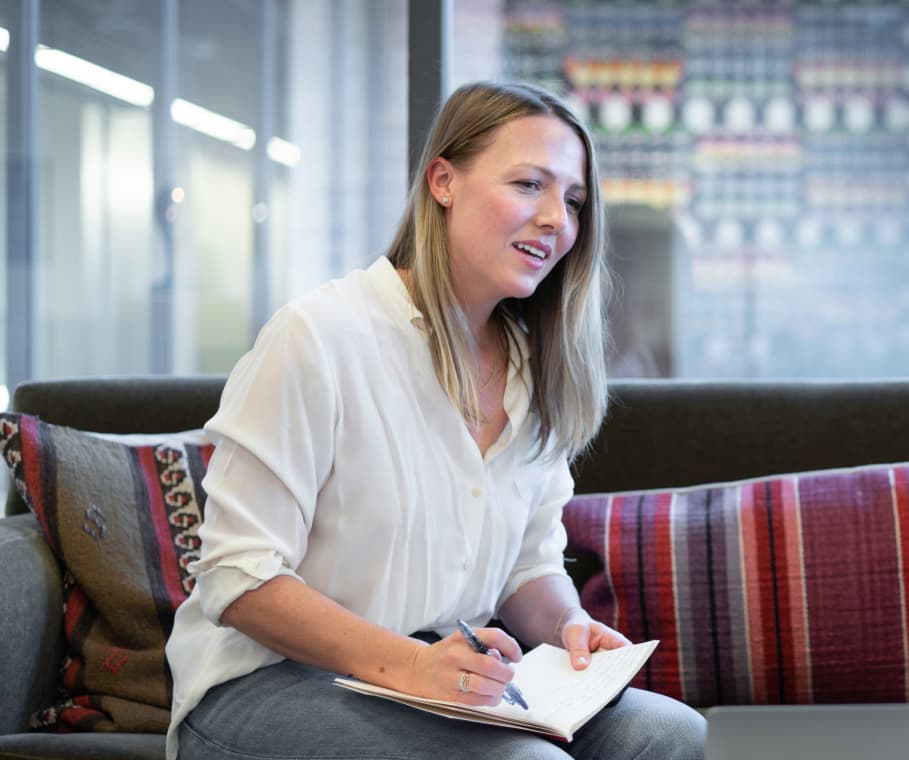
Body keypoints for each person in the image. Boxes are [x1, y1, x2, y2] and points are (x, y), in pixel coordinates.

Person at [165, 82, 705, 759]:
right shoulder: (318, 338)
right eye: (529, 184)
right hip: (266, 685)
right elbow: (237, 577)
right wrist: (415, 666)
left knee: (667, 734)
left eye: (572, 200)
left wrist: (569, 624)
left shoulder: (531, 372)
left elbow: (527, 569)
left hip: (437, 681)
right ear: (443, 181)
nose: (555, 220)